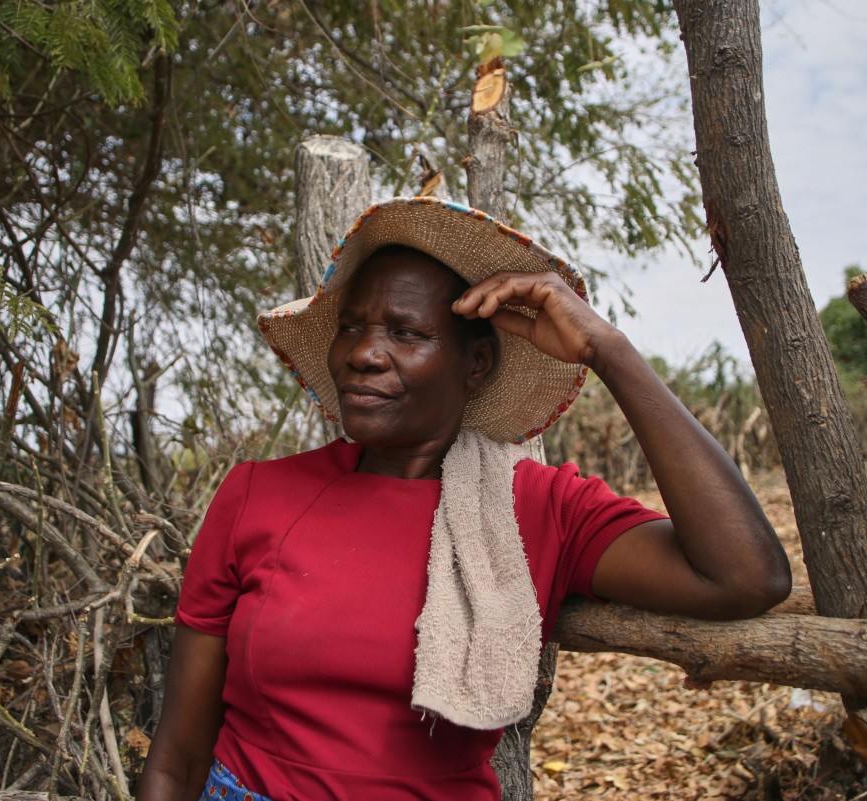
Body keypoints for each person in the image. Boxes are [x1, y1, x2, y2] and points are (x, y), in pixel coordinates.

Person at [137, 197, 791, 801]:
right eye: (353, 327)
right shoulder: (260, 495)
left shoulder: (532, 507)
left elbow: (746, 574)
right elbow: (178, 752)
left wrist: (607, 348)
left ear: (475, 364)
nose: (364, 353)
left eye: (406, 332)